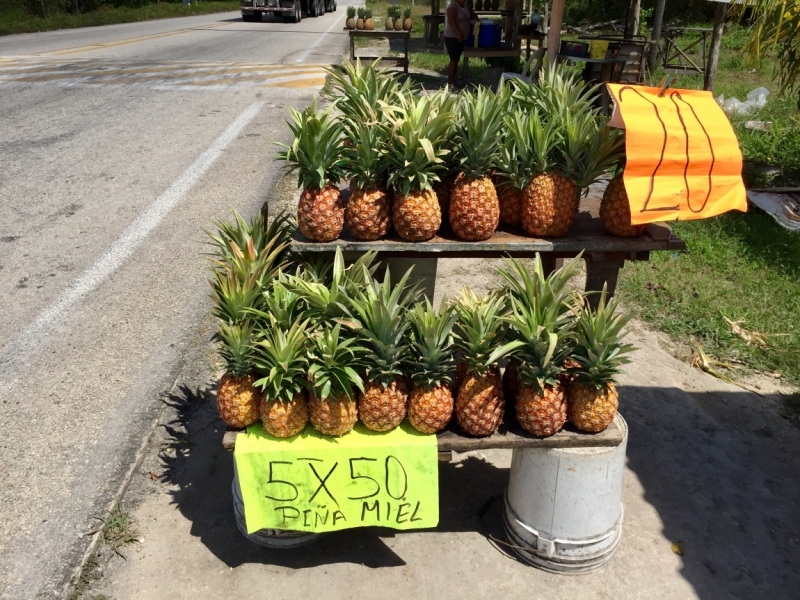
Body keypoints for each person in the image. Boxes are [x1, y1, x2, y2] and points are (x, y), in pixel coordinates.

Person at [444, 0, 478, 87]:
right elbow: (451, 21)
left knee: (456, 59)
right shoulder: (453, 6)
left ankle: (452, 80)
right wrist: (459, 33)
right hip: (452, 37)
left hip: (461, 38)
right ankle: (450, 81)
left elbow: (471, 14)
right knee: (454, 59)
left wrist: (475, 18)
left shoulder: (465, 7)